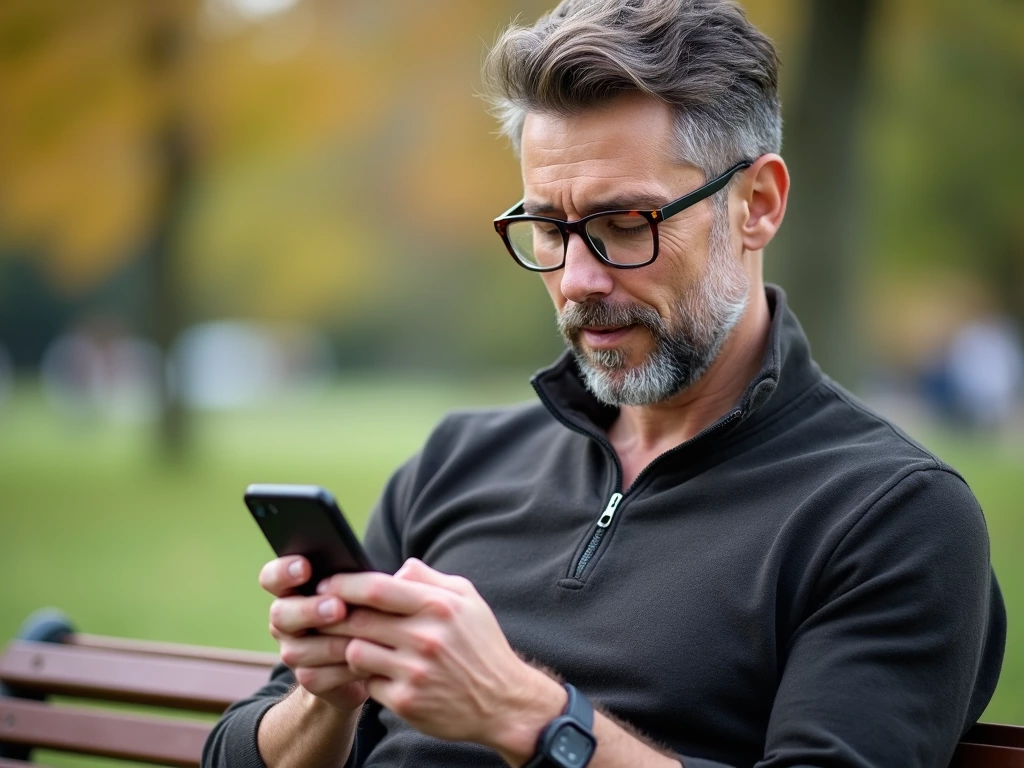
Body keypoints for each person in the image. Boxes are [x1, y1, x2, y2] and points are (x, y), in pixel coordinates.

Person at [203, 1, 1006, 766]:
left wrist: (526, 716)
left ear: (756, 205)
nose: (579, 278)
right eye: (549, 228)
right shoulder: (457, 462)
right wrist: (330, 698)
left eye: (626, 224)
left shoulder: (890, 514)